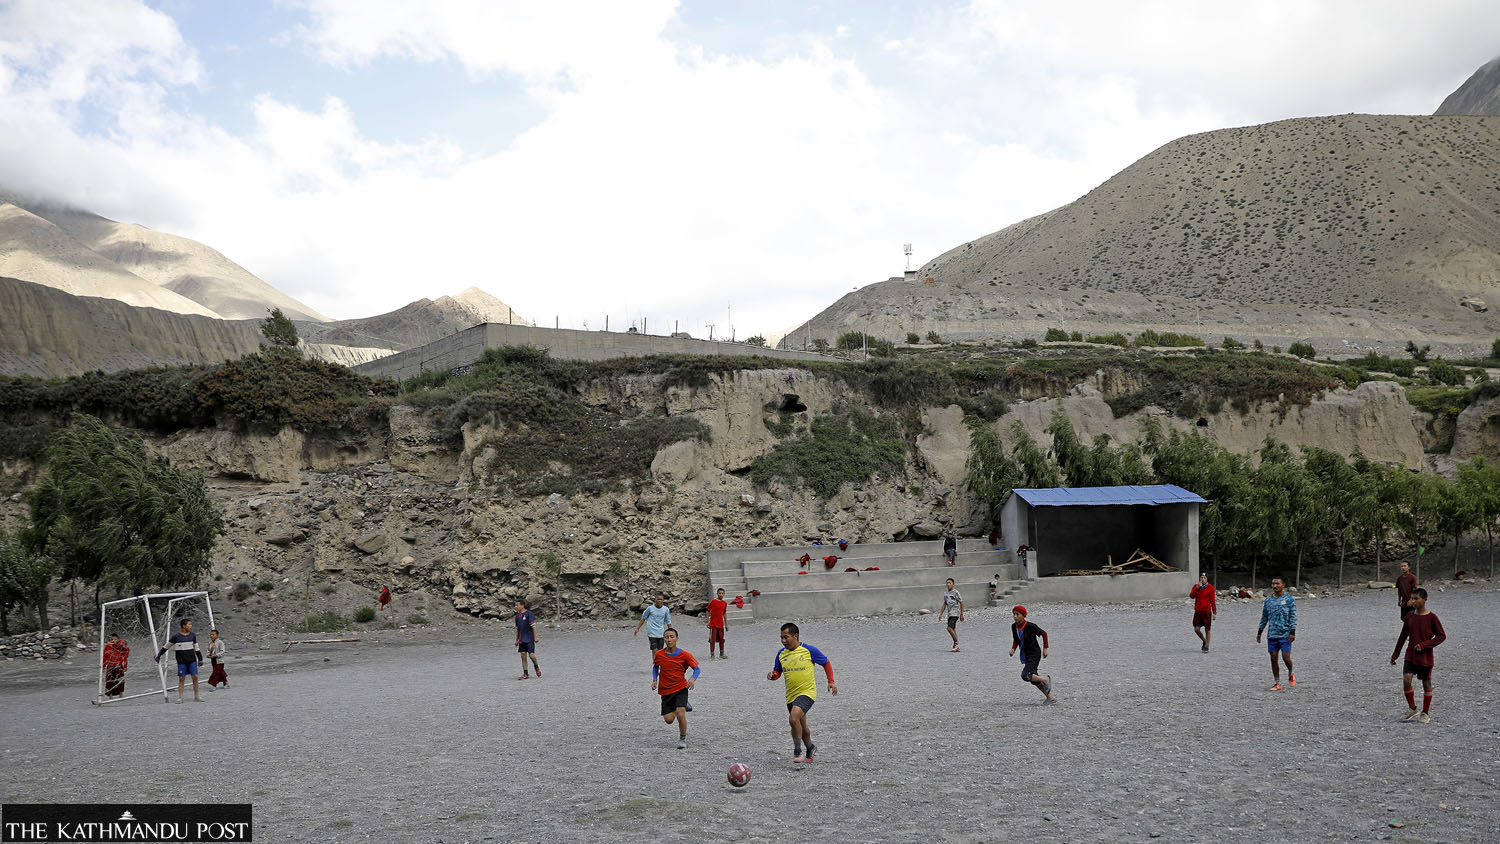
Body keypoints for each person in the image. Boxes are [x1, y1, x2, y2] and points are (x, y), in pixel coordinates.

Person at [767, 622, 836, 763]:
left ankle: (797, 751)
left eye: (786, 637)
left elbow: (826, 662)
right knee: (802, 726)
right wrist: (773, 675)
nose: (783, 640)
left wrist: (831, 681)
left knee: (793, 719)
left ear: (795, 636)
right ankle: (810, 747)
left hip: (807, 692)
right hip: (791, 695)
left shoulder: (809, 650)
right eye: (781, 638)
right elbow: (777, 671)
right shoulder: (781, 654)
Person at [1390, 587, 1446, 724]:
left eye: (1416, 599)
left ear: (1425, 600)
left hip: (1425, 657)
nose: (1413, 601)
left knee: (1426, 683)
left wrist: (1425, 645)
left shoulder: (1432, 617)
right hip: (1410, 654)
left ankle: (1425, 712)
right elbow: (1403, 636)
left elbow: (1441, 636)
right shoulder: (1409, 617)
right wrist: (1395, 655)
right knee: (1406, 680)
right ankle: (1412, 708)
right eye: (1412, 598)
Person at [651, 627, 700, 749]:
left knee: (680, 713)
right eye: (666, 637)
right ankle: (679, 705)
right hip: (665, 690)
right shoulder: (659, 654)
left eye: (672, 637)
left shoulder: (685, 655)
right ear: (664, 639)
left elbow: (697, 669)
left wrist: (692, 679)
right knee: (669, 720)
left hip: (680, 688)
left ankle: (682, 739)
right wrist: (655, 680)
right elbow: (655, 667)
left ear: (677, 638)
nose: (669, 640)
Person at [1256, 576, 1298, 691]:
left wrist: (1292, 631)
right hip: (1272, 634)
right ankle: (1277, 682)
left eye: (1277, 583)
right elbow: (1264, 617)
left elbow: (1293, 616)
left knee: (1286, 658)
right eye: (1273, 584)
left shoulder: (1289, 599)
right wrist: (1260, 632)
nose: (1275, 586)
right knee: (1273, 658)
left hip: (1285, 633)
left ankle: (1290, 672)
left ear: (1283, 585)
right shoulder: (1268, 600)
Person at [1008, 605, 1056, 703]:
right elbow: (1016, 639)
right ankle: (1050, 698)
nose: (1015, 616)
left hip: (1034, 654)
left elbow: (1044, 634)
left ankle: (1046, 680)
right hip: (1026, 655)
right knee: (1033, 680)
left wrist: (1045, 649)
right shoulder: (1014, 627)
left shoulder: (1030, 626)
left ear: (1023, 615)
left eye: (1018, 614)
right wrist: (1013, 649)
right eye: (1014, 614)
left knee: (1025, 675)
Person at [154, 617, 201, 703]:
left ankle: (196, 696)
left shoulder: (192, 635)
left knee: (195, 677)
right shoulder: (176, 636)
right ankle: (180, 697)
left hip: (192, 660)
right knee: (181, 678)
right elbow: (166, 646)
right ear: (184, 626)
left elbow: (196, 648)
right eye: (189, 624)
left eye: (191, 624)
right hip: (181, 661)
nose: (191, 626)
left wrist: (200, 659)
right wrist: (159, 655)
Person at [1190, 573, 1218, 652]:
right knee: (1196, 629)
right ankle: (1204, 640)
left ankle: (1207, 646)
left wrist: (1214, 613)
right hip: (1198, 612)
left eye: (1204, 578)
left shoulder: (1210, 588)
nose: (1202, 579)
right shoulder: (1196, 586)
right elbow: (1191, 596)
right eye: (1201, 577)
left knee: (1207, 629)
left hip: (1207, 612)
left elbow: (1212, 601)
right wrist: (1197, 588)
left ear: (1207, 579)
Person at [515, 600, 541, 680]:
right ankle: (525, 673)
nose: (516, 607)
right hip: (522, 639)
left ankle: (536, 666)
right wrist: (516, 640)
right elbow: (518, 629)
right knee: (523, 655)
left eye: (517, 605)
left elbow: (533, 626)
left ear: (522, 605)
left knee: (531, 655)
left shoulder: (529, 614)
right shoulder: (517, 616)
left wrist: (535, 637)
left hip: (529, 638)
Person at [102, 633, 129, 699]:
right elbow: (105, 657)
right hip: (110, 666)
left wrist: (125, 666)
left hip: (119, 666)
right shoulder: (107, 646)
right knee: (109, 682)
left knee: (120, 681)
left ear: (118, 639)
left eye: (115, 639)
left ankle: (121, 695)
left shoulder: (121, 646)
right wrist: (103, 667)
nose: (113, 641)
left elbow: (125, 656)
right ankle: (110, 696)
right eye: (112, 639)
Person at [940, 577, 964, 652]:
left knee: (949, 628)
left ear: (953, 584)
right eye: (947, 583)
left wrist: (962, 614)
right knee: (953, 629)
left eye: (950, 583)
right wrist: (941, 614)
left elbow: (961, 602)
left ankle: (956, 643)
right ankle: (957, 646)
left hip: (955, 613)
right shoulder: (945, 593)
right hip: (950, 614)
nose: (948, 584)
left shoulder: (956, 592)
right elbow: (945, 603)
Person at [706, 588, 729, 660]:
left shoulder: (724, 603)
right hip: (713, 624)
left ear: (724, 594)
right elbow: (707, 610)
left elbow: (724, 614)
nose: (721, 594)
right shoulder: (713, 602)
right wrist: (708, 621)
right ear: (717, 594)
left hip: (721, 624)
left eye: (722, 593)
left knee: (721, 639)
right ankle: (712, 655)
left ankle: (721, 654)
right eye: (720, 593)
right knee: (712, 640)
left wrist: (726, 624)